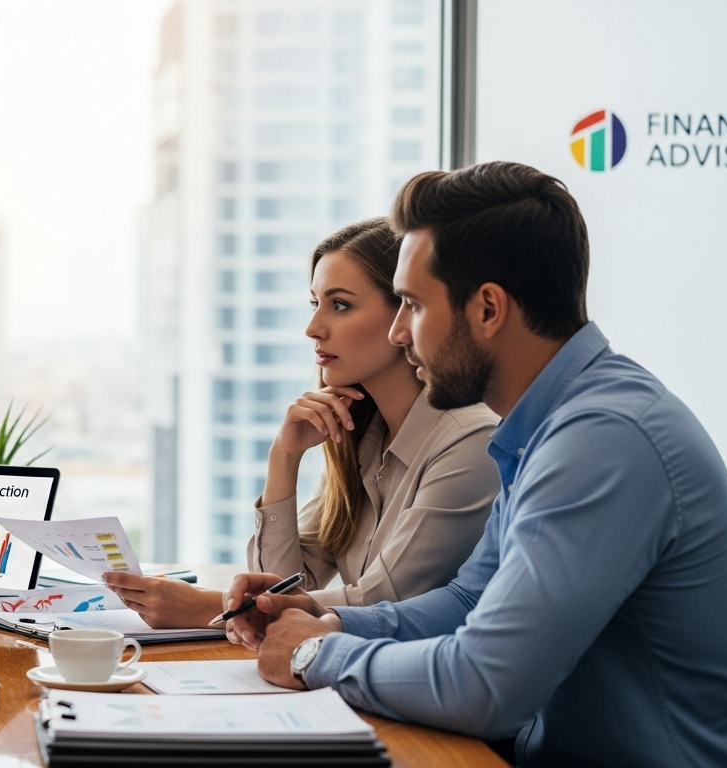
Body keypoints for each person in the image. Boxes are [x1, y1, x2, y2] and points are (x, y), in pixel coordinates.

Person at [227, 161, 727, 766]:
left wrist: (315, 654)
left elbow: (486, 687)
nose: (400, 333)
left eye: (412, 305)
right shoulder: (549, 425)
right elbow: (469, 599)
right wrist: (331, 619)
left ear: (488, 309)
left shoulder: (603, 440)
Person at [104, 218, 498, 628]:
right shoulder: (361, 437)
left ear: (405, 313)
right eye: (315, 304)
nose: (313, 329)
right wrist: (284, 457)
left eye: (340, 305)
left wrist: (206, 607)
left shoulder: (470, 440)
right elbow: (283, 585)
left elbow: (384, 600)